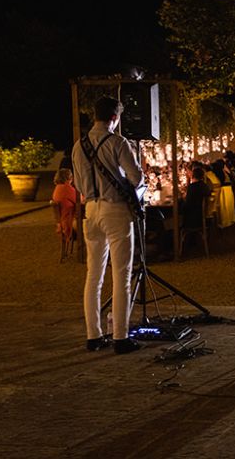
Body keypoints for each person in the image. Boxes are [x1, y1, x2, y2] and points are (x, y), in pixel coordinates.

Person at [72, 96, 144, 354]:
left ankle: (93, 336)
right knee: (122, 274)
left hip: (91, 210)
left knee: (94, 275)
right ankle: (120, 337)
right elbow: (136, 178)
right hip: (115, 210)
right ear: (115, 117)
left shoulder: (78, 146)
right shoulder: (117, 142)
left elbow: (79, 185)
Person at [51, 168, 77, 243]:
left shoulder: (58, 188)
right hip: (70, 225)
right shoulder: (66, 188)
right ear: (68, 178)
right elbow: (80, 201)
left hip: (62, 224)